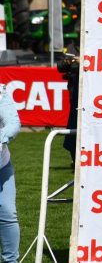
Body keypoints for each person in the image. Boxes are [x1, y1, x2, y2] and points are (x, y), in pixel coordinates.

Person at [0, 84, 20, 263]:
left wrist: (1, 137)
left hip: (2, 166)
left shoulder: (0, 93)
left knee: (8, 213)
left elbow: (13, 123)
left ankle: (11, 261)